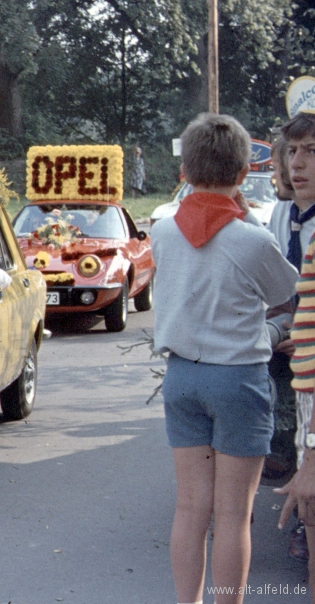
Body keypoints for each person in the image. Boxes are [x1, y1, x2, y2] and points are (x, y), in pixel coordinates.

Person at [151, 113, 298, 604]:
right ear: (242, 175)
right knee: (234, 513)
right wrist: (275, 330)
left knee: (191, 508)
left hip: (181, 378)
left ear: (185, 172)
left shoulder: (164, 232)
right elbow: (286, 293)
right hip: (237, 379)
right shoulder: (251, 239)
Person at [271, 113, 315, 586]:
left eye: (311, 151)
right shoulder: (285, 214)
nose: (297, 163)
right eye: (292, 151)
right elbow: (282, 286)